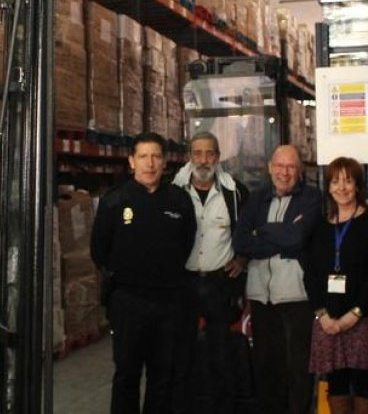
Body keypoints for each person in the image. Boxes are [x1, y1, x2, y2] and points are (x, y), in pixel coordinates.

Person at [92, 132, 197, 414]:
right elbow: (99, 250)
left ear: (165, 162)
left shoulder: (179, 201)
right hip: (128, 302)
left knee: (162, 376)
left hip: (169, 302)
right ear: (131, 162)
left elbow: (188, 241)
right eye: (143, 157)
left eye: (156, 156)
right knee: (126, 374)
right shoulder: (115, 201)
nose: (150, 163)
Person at [233, 145, 322, 414]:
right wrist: (280, 237)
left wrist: (260, 233)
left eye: (291, 166)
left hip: (297, 297)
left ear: (300, 171)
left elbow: (297, 238)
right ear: (270, 168)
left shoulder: (311, 197)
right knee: (266, 368)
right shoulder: (257, 199)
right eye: (280, 166)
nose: (284, 172)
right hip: (261, 297)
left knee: (298, 369)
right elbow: (241, 241)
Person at [170, 131, 250, 414]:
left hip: (220, 285)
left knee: (222, 354)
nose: (203, 160)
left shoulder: (235, 192)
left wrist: (242, 259)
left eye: (210, 154)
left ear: (218, 157)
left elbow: (249, 230)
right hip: (185, 285)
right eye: (197, 153)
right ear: (189, 156)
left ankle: (223, 407)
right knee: (182, 353)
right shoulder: (173, 190)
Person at [304, 157, 368, 414]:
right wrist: (322, 314)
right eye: (335, 181)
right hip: (328, 319)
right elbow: (311, 275)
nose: (342, 187)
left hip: (361, 317)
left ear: (358, 186)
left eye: (348, 181)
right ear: (328, 187)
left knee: (363, 383)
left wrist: (355, 314)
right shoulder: (320, 227)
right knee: (336, 382)